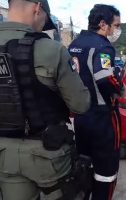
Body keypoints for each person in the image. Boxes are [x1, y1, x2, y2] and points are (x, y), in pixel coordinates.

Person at [0, 0, 91, 199]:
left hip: (4, 153)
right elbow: (81, 104)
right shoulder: (51, 49)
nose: (43, 26)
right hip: (47, 154)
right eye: (45, 21)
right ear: (37, 8)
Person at [68, 4, 122, 200]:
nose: (117, 30)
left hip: (81, 119)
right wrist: (120, 88)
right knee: (106, 173)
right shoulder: (103, 46)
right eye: (116, 25)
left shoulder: (74, 44)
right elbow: (106, 78)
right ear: (102, 24)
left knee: (84, 167)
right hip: (103, 119)